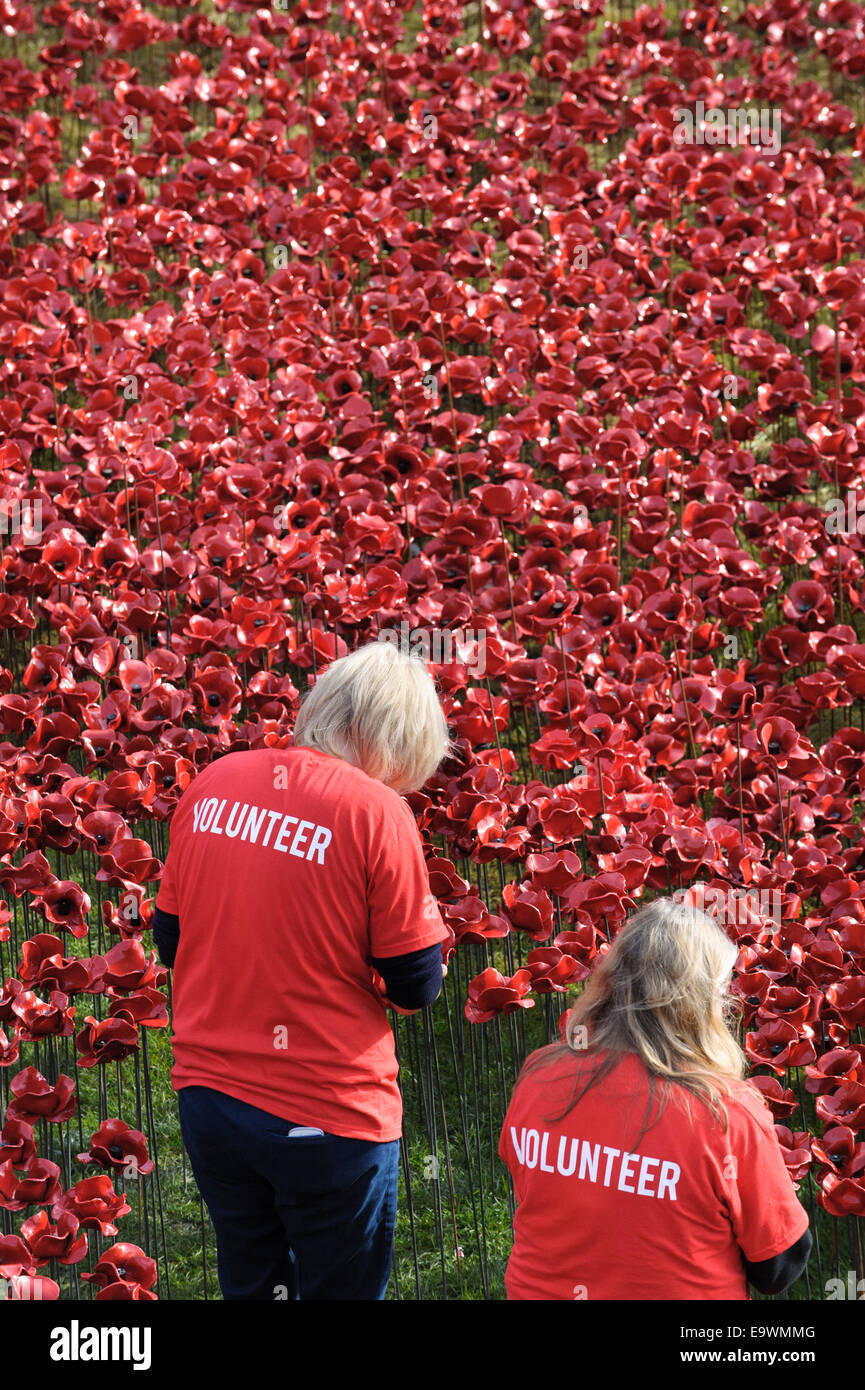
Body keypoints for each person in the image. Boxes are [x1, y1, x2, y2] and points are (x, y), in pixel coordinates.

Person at [151, 640, 452, 1300]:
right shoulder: (376, 812)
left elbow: (171, 942)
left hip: (211, 1100)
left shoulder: (213, 783)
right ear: (390, 735)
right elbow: (414, 982)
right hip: (328, 1114)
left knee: (252, 1281)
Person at [499, 897, 812, 1300]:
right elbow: (778, 1267)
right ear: (707, 1002)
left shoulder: (539, 1075)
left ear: (612, 981)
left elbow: (532, 1185)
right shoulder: (727, 1114)